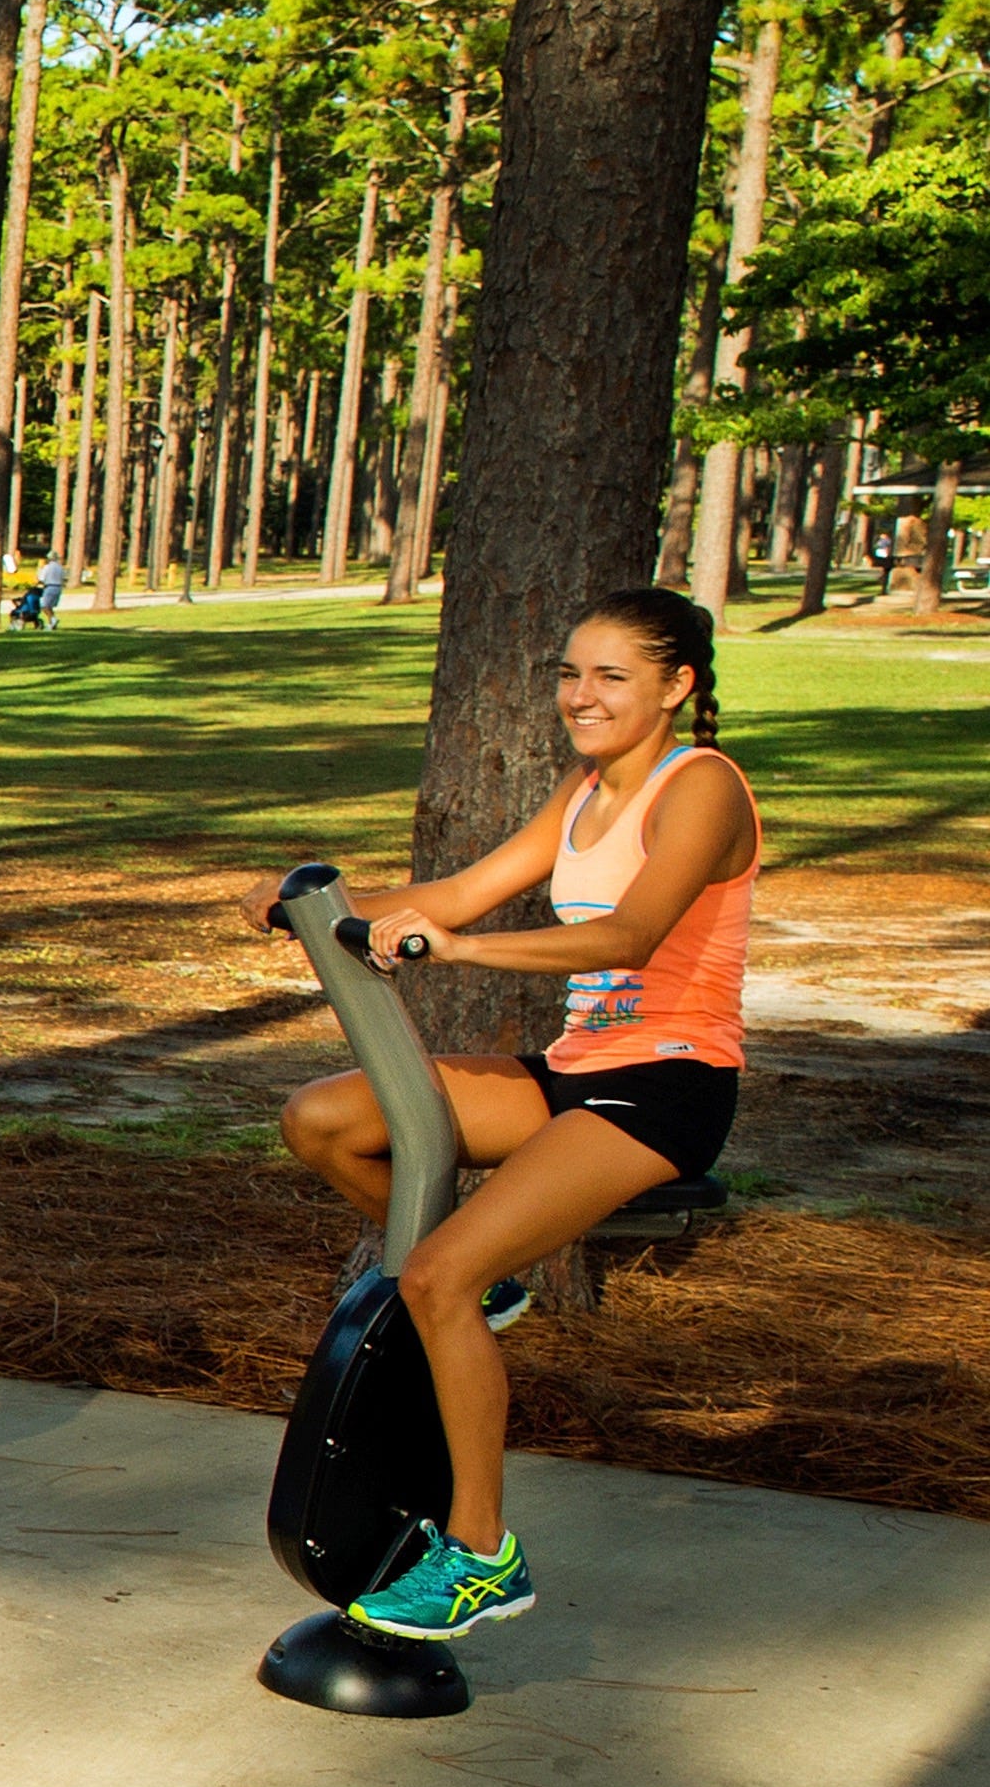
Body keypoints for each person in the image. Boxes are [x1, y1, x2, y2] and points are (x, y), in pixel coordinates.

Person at [255, 585, 760, 1644]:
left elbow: (630, 934)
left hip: (666, 1083)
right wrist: (311, 906)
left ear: (678, 688)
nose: (581, 695)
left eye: (611, 676)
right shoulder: (582, 792)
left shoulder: (700, 786)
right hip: (578, 1069)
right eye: (570, 674)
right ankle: (480, 1301)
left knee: (430, 1275)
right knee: (325, 1120)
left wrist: (467, 951)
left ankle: (484, 1556)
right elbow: (458, 892)